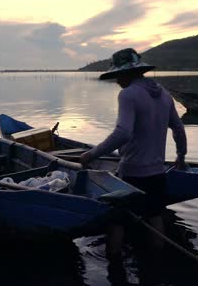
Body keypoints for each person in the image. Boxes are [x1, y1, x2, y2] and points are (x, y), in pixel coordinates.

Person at [79, 48, 188, 257]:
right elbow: (179, 128)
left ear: (129, 73)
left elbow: (123, 133)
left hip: (132, 172)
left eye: (119, 75)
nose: (118, 81)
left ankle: (114, 266)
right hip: (157, 171)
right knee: (155, 214)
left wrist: (90, 155)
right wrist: (180, 156)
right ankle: (157, 263)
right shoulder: (164, 94)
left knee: (116, 219)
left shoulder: (128, 94)